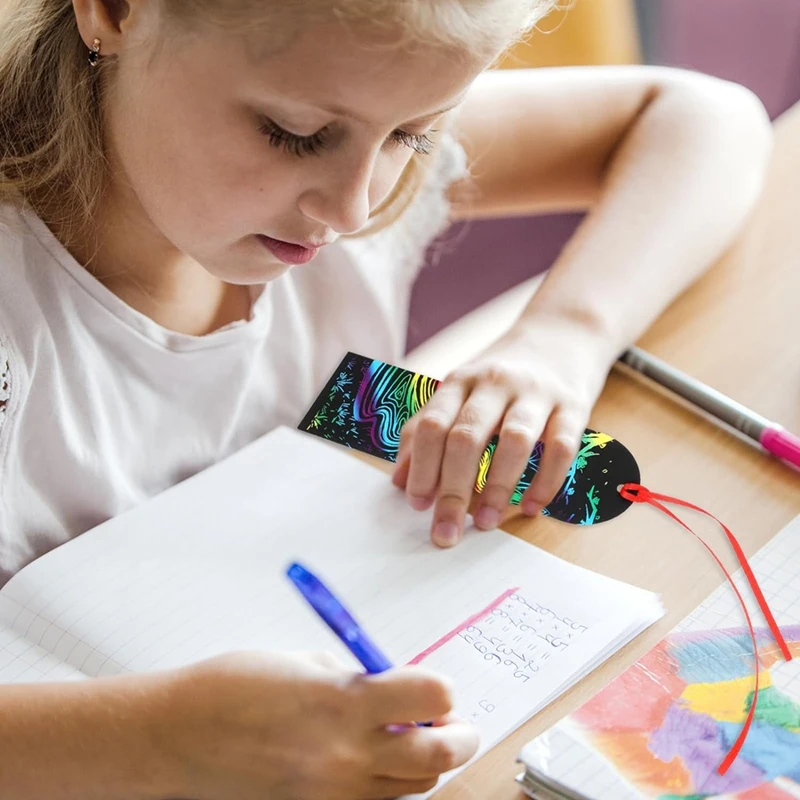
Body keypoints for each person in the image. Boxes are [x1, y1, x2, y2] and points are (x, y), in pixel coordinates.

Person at [0, 0, 771, 797]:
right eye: (293, 133)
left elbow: (707, 117)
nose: (354, 211)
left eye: (417, 135)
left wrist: (564, 336)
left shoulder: (352, 120)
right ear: (118, 12)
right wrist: (151, 744)